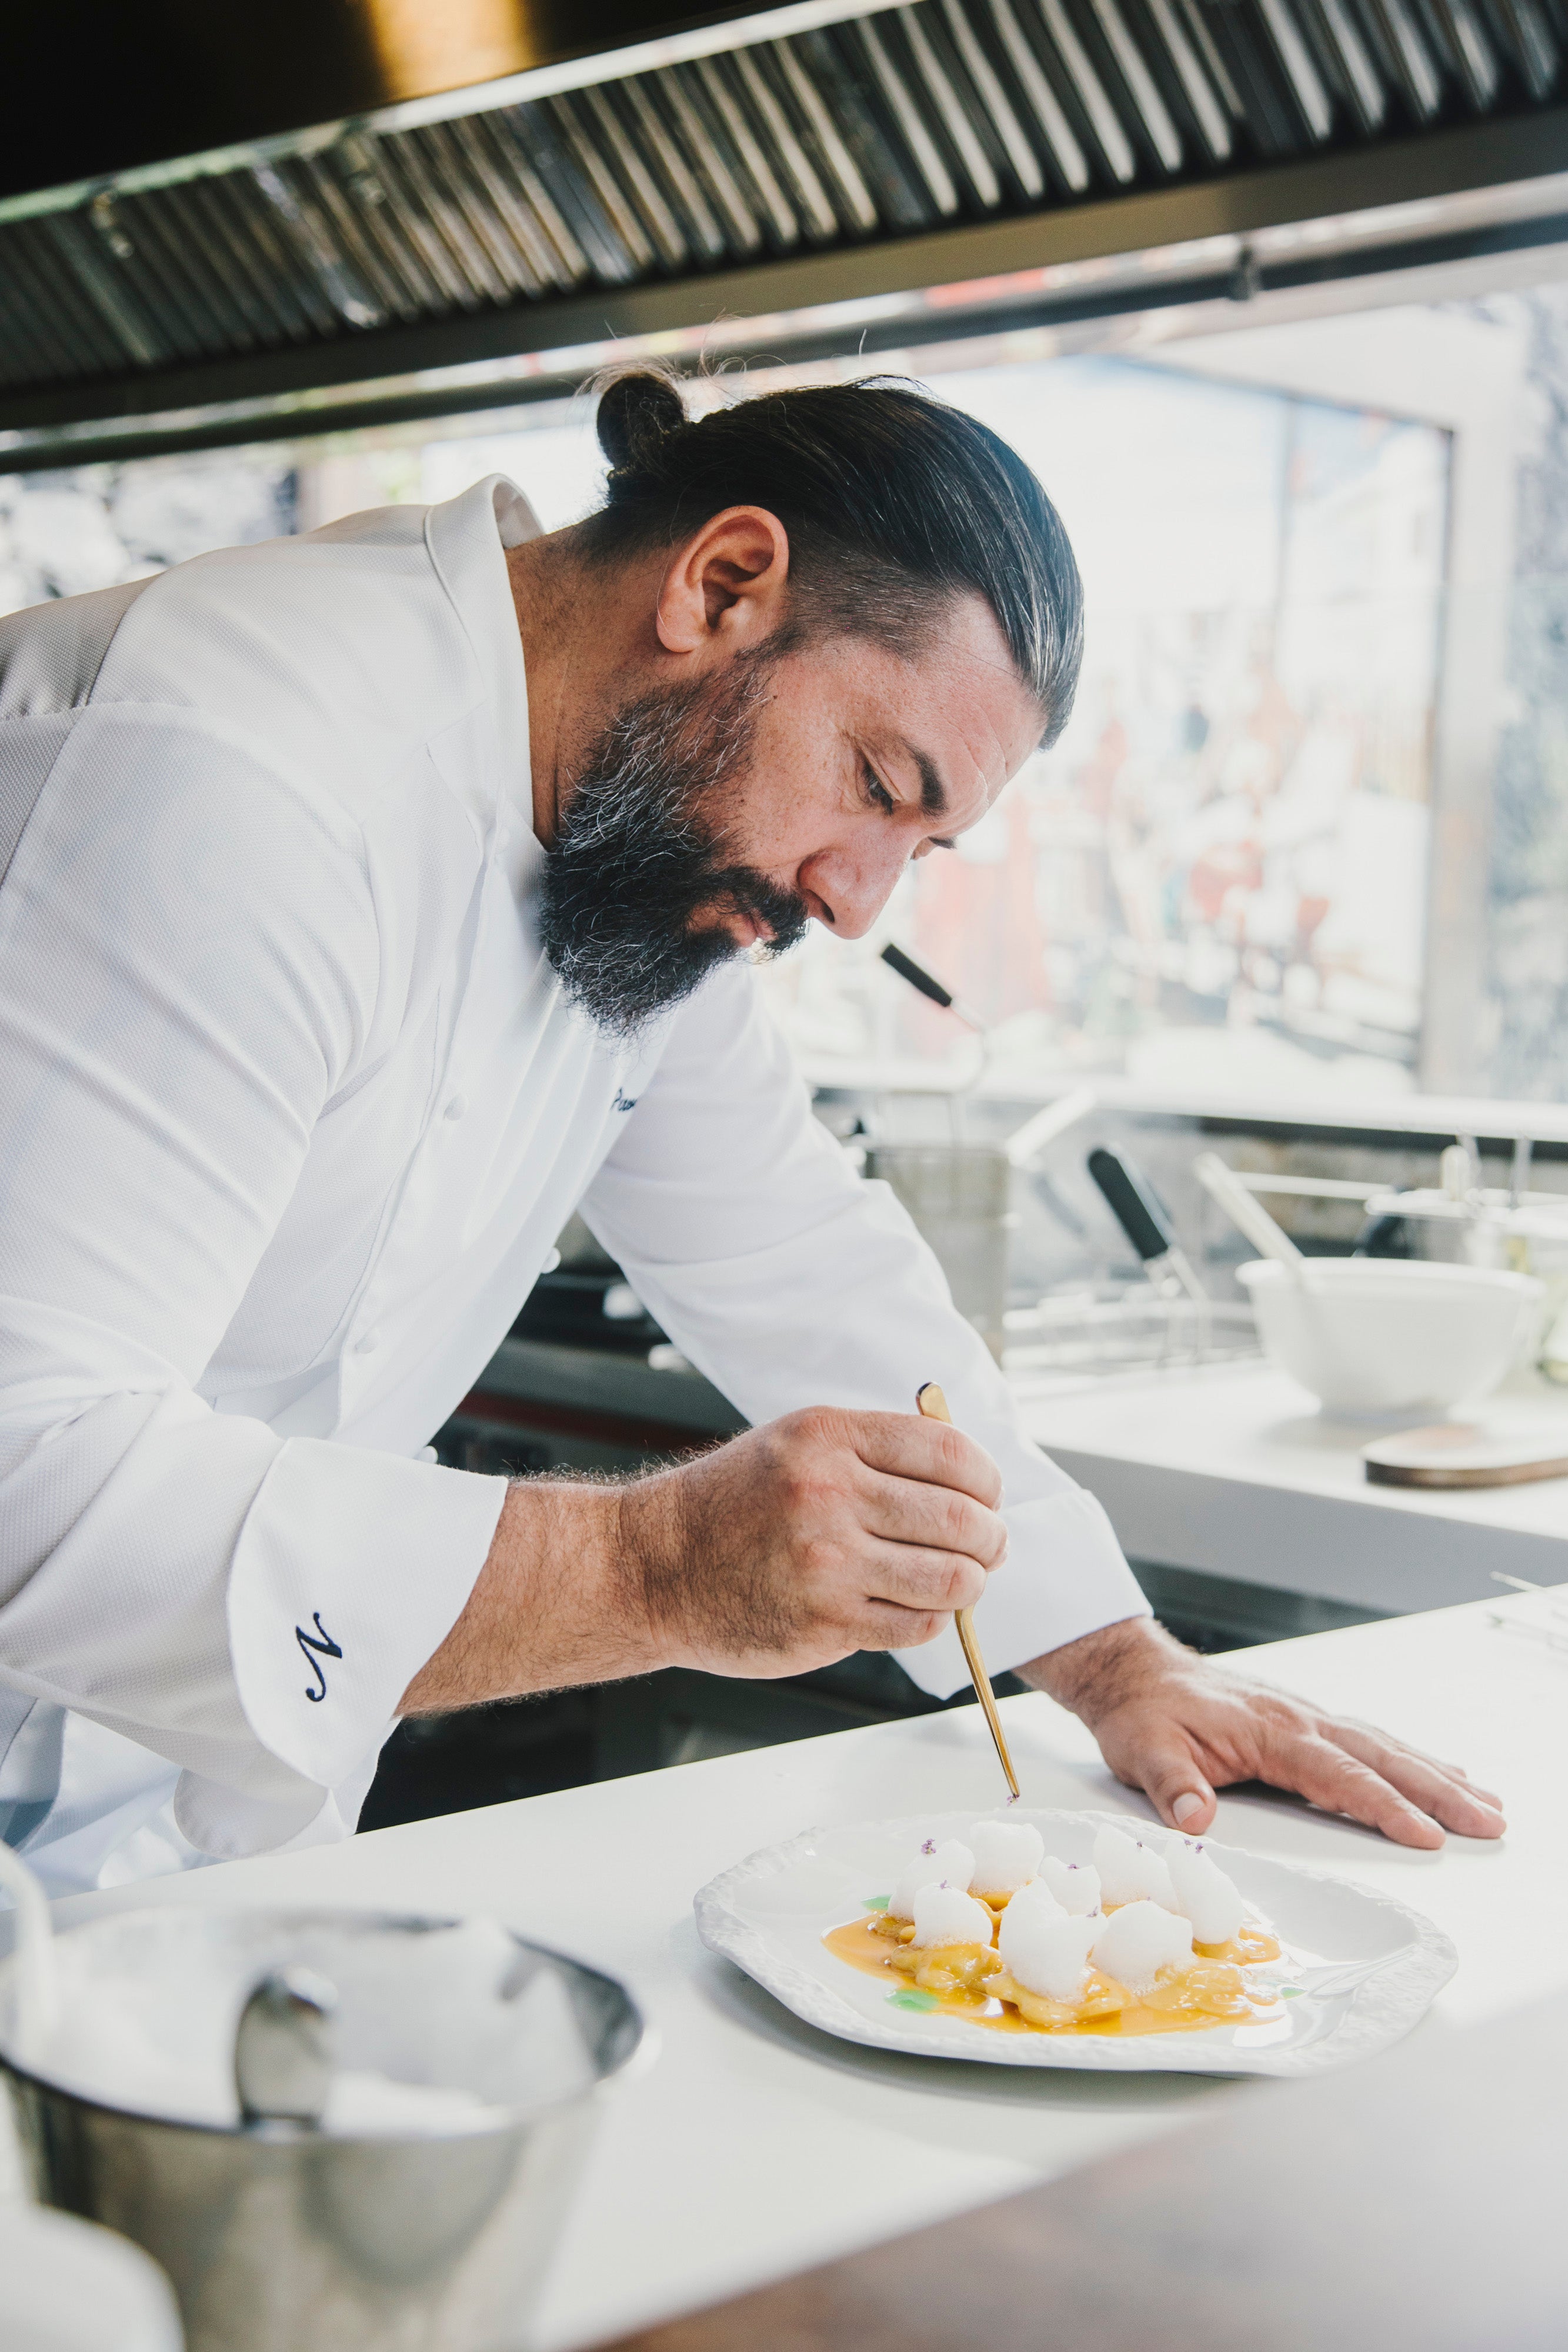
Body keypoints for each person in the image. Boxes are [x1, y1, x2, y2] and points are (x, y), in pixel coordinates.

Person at [0, 371, 1502, 1893]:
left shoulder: (621, 837)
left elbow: (795, 1252)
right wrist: (648, 1570)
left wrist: (1116, 1660)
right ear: (722, 585)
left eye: (921, 848)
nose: (857, 904)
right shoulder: (231, 764)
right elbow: (24, 1468)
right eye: (873, 786)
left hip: (161, 1838)